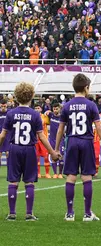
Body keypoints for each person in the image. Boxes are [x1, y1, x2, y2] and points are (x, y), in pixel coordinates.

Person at [0, 82, 60, 221]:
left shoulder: (10, 113)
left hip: (14, 148)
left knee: (13, 181)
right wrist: (52, 152)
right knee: (29, 182)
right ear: (32, 96)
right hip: (29, 149)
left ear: (16, 96)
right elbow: (42, 136)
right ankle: (29, 213)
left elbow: (3, 135)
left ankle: (12, 213)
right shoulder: (35, 115)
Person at [55, 74, 101, 222]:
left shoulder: (67, 105)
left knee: (71, 176)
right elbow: (98, 127)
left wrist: (56, 148)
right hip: (86, 141)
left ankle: (70, 213)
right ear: (86, 88)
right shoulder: (91, 105)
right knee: (86, 177)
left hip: (71, 141)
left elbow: (60, 129)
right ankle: (87, 213)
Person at [46, 103, 65, 179]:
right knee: (53, 156)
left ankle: (60, 173)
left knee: (61, 156)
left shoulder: (62, 117)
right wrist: (47, 111)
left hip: (61, 140)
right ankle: (55, 173)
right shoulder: (51, 115)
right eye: (54, 109)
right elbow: (45, 113)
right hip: (52, 139)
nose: (55, 110)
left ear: (60, 109)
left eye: (56, 109)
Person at [34, 104, 51, 178]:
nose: (37, 109)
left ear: (41, 109)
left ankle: (47, 173)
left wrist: (49, 111)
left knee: (46, 157)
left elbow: (52, 117)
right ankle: (38, 173)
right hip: (35, 140)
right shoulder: (32, 116)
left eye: (38, 108)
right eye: (35, 108)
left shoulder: (45, 117)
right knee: (36, 157)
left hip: (44, 139)